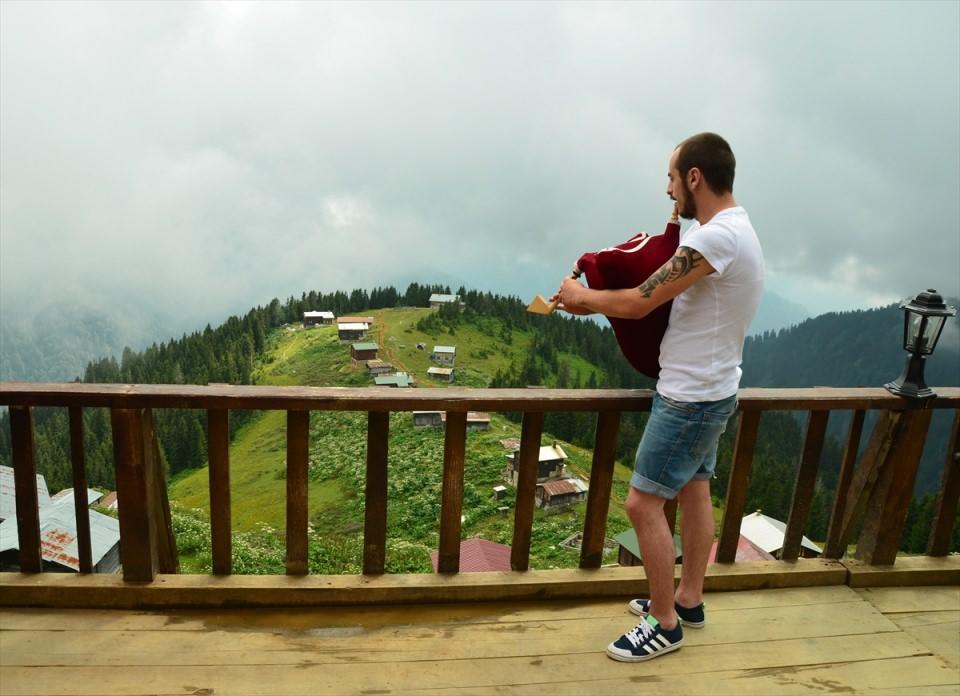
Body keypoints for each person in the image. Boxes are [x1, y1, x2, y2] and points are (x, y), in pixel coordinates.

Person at [553, 132, 764, 662]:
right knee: (694, 491)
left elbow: (638, 302)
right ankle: (687, 600)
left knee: (642, 502)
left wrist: (582, 298)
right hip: (713, 389)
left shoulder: (714, 239)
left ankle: (664, 623)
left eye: (672, 177)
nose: (667, 189)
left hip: (690, 398)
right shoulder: (737, 230)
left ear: (695, 177)